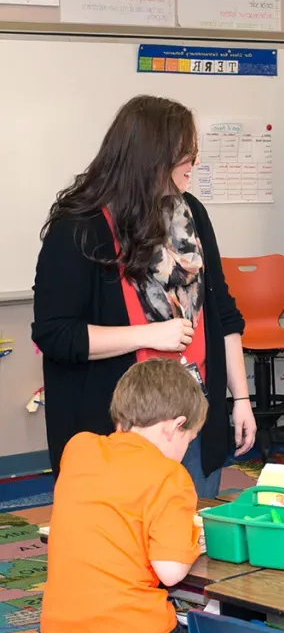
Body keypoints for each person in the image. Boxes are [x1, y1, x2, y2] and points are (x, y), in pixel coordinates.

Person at [32, 95, 256, 496]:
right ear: (154, 159)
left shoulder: (192, 215)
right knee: (124, 550)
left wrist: (240, 398)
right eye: (186, 155)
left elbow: (223, 312)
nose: (194, 165)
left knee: (191, 541)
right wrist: (147, 335)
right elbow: (56, 335)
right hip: (117, 431)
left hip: (192, 418)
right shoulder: (79, 229)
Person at [42, 358, 206, 633]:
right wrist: (196, 542)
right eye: (190, 439)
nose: (187, 450)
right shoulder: (170, 475)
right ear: (175, 426)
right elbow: (170, 571)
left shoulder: (78, 449)